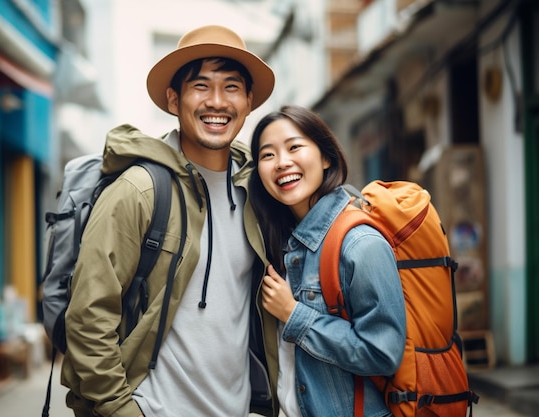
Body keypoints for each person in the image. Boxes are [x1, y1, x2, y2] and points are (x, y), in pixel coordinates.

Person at [61, 25, 279, 417]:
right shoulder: (140, 190)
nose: (217, 102)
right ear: (174, 99)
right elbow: (89, 314)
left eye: (231, 87)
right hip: (153, 408)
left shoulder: (257, 191)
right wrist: (118, 409)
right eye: (201, 86)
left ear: (248, 101)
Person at [248, 105, 406, 417]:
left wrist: (294, 315)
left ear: (326, 157)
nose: (282, 163)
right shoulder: (283, 242)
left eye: (294, 147)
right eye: (268, 155)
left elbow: (383, 353)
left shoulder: (359, 244)